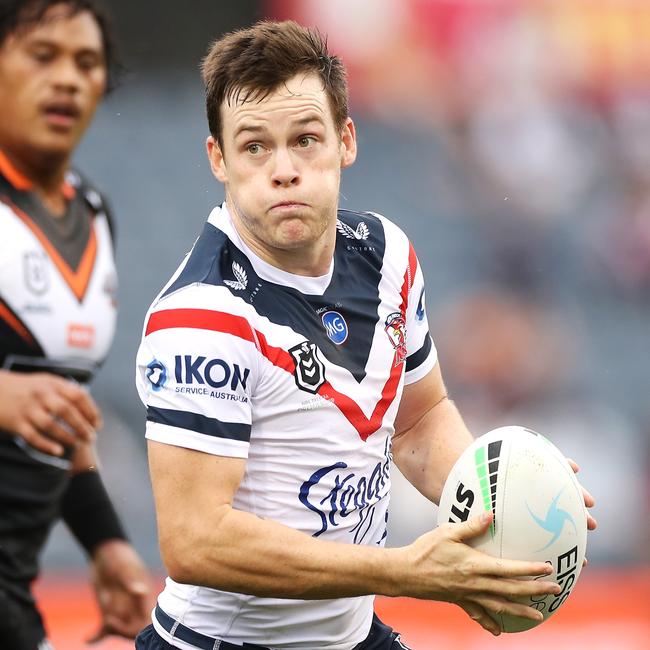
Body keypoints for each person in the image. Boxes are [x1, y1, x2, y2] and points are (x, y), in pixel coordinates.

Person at [135, 20, 596, 650]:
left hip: (353, 635)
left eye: (305, 140)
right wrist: (408, 572)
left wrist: (496, 505)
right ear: (218, 158)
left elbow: (418, 419)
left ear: (346, 141)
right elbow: (195, 541)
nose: (284, 170)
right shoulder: (201, 315)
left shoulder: (388, 255)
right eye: (254, 147)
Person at [0, 1, 153, 648]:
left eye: (86, 62)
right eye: (43, 55)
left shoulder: (93, 215)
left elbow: (61, 408)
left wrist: (106, 539)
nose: (66, 77)